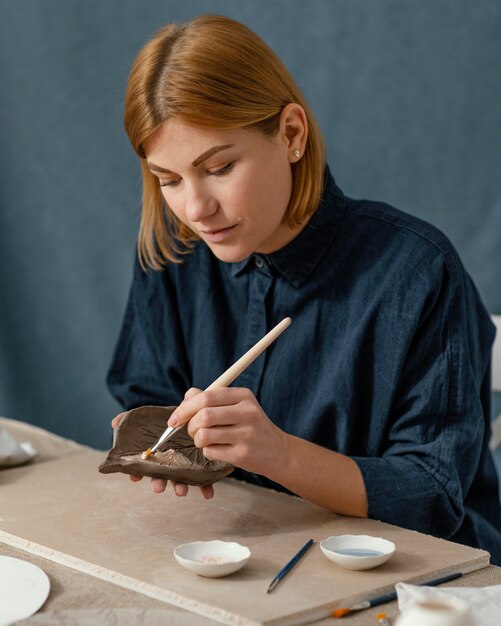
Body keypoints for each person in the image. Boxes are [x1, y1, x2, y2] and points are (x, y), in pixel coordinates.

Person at [107, 14, 501, 564]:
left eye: (218, 167)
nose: (196, 209)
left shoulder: (415, 271)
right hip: (241, 552)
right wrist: (153, 435)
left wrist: (278, 454)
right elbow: (143, 392)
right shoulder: (176, 251)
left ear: (291, 134)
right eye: (168, 180)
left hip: (413, 574)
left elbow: (434, 496)